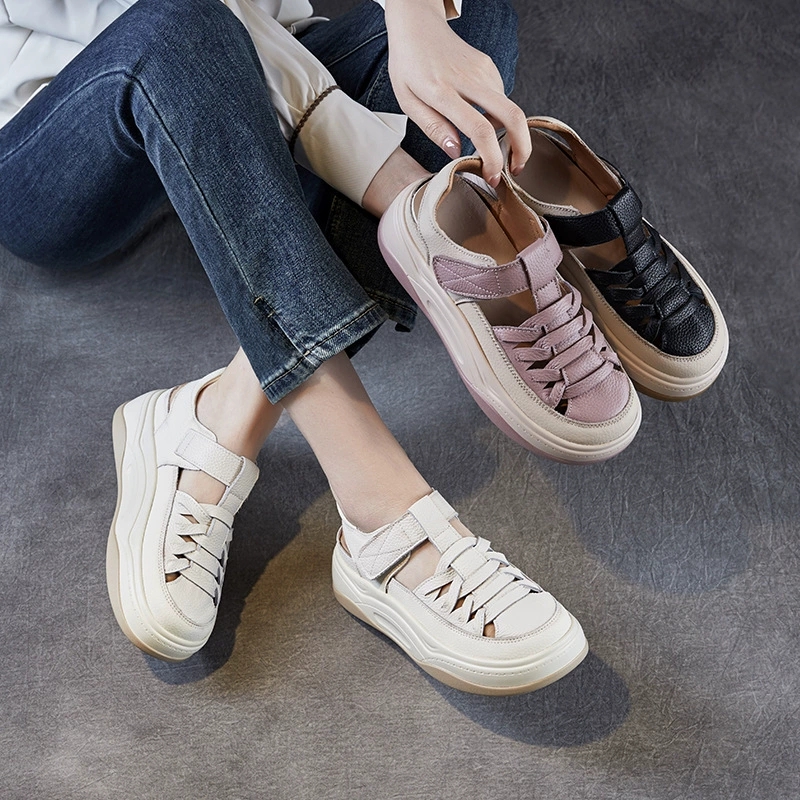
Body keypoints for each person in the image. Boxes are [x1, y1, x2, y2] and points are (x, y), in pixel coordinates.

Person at [2, 0, 722, 696]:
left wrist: (414, 16)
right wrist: (402, 188)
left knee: (469, 16)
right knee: (182, 28)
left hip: (249, 78)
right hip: (58, 133)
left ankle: (219, 417)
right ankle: (378, 499)